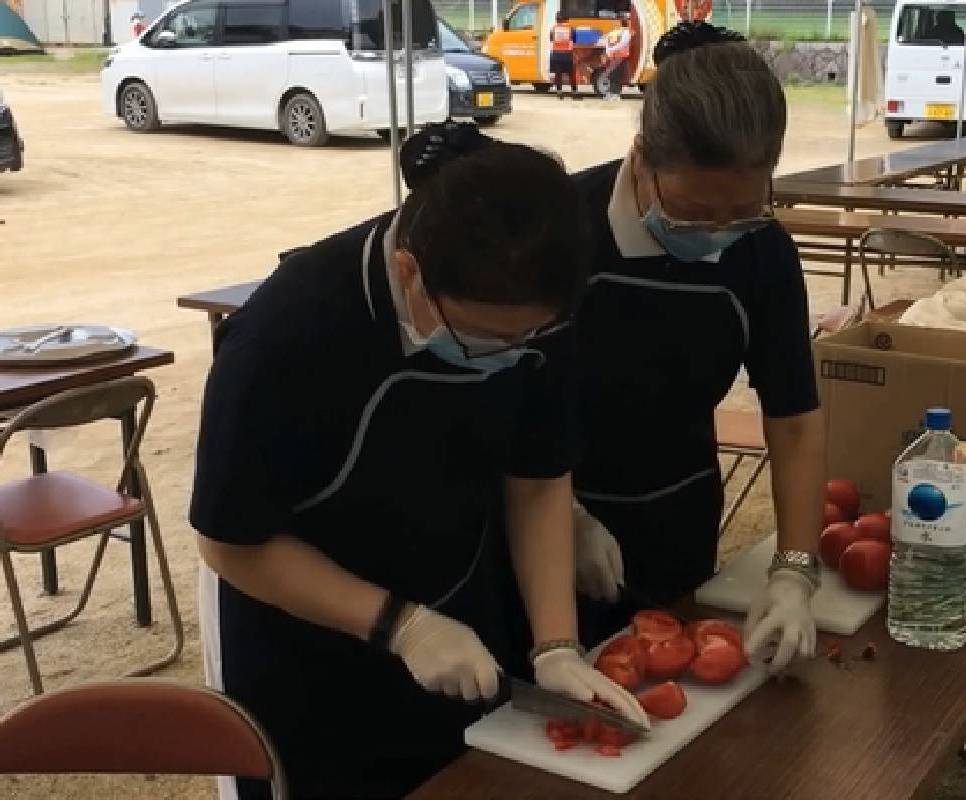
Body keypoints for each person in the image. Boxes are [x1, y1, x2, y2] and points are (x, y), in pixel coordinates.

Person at [192, 122, 648, 800]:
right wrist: (399, 624)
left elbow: (537, 477)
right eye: (487, 336)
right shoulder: (289, 330)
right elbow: (229, 542)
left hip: (457, 616)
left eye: (529, 336)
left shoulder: (535, 301)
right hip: (303, 650)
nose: (514, 350)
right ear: (410, 270)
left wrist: (555, 645)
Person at [568, 23, 826, 674]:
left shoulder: (764, 253)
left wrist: (794, 570)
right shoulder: (562, 230)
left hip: (678, 515)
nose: (716, 236)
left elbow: (793, 419)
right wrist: (563, 515)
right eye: (692, 213)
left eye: (740, 212)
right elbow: (500, 400)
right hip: (540, 526)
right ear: (640, 159)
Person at [601, 17, 633, 101]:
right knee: (617, 76)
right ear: (627, 23)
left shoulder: (613, 32)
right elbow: (623, 44)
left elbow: (607, 44)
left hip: (613, 57)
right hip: (621, 57)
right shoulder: (627, 33)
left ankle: (612, 94)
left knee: (612, 75)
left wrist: (608, 53)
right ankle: (615, 94)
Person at [550, 11, 578, 100]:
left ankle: (559, 93)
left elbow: (551, 38)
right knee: (571, 74)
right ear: (565, 19)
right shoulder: (570, 28)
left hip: (556, 55)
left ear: (557, 19)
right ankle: (574, 93)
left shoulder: (553, 29)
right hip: (567, 55)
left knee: (558, 75)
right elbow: (575, 40)